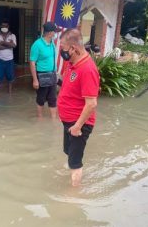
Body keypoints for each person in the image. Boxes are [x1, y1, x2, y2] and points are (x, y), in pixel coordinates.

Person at [57, 28, 100, 187]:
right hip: (69, 121)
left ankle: (73, 198)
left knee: (75, 162)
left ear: (73, 48)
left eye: (63, 48)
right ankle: (71, 176)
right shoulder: (72, 62)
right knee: (69, 153)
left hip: (79, 123)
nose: (61, 51)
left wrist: (77, 126)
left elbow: (91, 103)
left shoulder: (88, 69)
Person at [29, 22, 61, 118]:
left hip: (52, 74)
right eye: (54, 32)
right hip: (42, 75)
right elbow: (32, 62)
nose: (55, 34)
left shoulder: (52, 44)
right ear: (50, 33)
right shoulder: (37, 44)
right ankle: (40, 118)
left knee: (53, 98)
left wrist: (56, 73)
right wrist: (35, 79)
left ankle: (53, 119)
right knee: (41, 98)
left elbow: (52, 60)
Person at [0, 20, 17, 93]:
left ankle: (10, 91)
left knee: (10, 76)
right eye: (3, 26)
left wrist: (3, 43)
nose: (4, 27)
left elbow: (14, 45)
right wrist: (8, 45)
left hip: (10, 60)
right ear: (0, 26)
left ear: (8, 27)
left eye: (6, 26)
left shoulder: (12, 36)